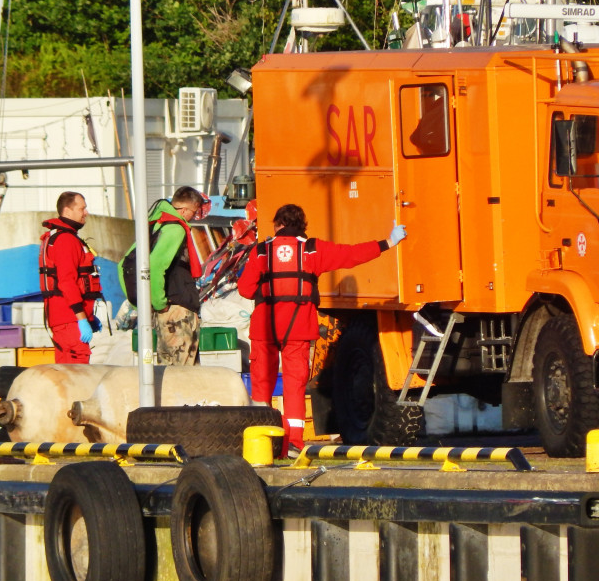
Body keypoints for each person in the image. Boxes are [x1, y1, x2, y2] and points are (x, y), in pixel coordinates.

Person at [237, 203, 406, 457]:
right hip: (298, 328)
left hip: (265, 328)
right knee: (294, 386)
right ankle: (293, 442)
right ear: (302, 226)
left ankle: (263, 441)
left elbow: (245, 290)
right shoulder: (312, 249)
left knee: (262, 385)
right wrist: (386, 243)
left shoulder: (261, 252)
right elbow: (351, 254)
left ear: (277, 225)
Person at [146, 186, 210, 365]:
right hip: (176, 309)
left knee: (167, 366)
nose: (193, 218)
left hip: (170, 308)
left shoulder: (158, 225)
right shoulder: (175, 229)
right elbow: (156, 264)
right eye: (194, 212)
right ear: (184, 210)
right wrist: (159, 303)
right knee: (180, 369)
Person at [38, 191, 103, 364]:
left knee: (66, 375)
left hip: (66, 319)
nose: (86, 213)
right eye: (82, 208)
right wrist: (81, 318)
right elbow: (67, 282)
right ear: (67, 211)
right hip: (70, 321)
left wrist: (89, 317)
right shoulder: (66, 240)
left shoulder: (58, 237)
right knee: (76, 376)